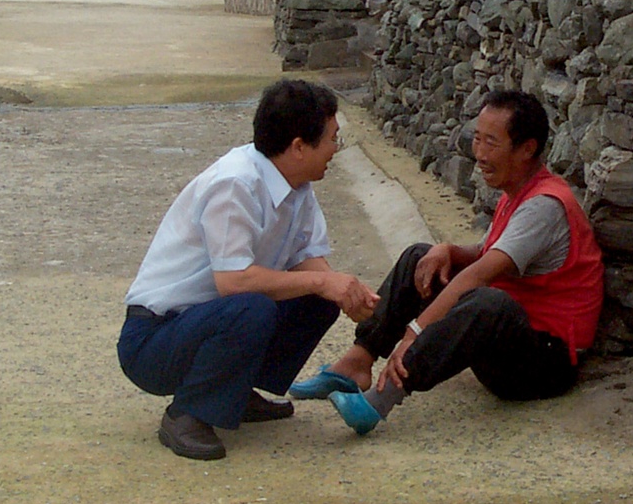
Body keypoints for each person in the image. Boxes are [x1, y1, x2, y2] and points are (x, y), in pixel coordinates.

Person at [289, 89, 604, 436]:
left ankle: (383, 398)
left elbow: (481, 273)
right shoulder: (518, 192)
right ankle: (358, 362)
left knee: (489, 302)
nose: (480, 154)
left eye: (492, 144)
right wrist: (447, 249)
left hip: (546, 364)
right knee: (420, 257)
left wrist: (415, 332)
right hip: (513, 337)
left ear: (527, 148)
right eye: (478, 140)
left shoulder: (544, 205)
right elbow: (485, 252)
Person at [117, 79, 379, 460]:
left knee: (318, 296)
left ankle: (233, 392)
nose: (336, 150)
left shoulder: (296, 184)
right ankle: (186, 414)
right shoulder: (235, 183)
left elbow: (308, 257)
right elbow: (234, 282)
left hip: (201, 323)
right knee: (251, 305)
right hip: (153, 340)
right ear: (298, 147)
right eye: (332, 139)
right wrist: (324, 280)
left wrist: (349, 293)